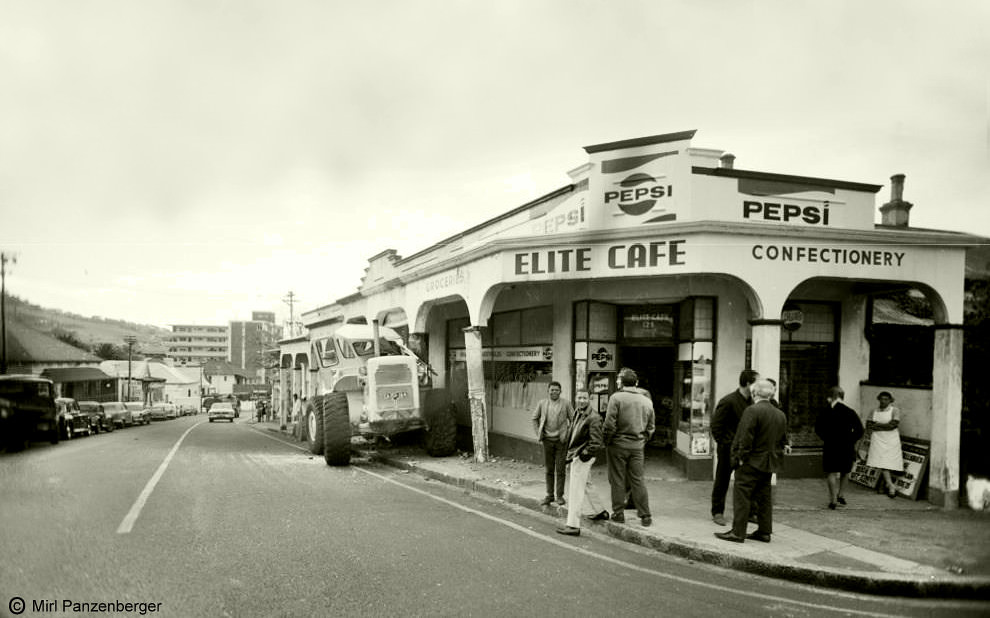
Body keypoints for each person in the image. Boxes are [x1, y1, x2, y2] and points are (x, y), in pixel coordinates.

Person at [714, 379, 789, 544]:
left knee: (742, 496)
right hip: (769, 462)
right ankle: (764, 531)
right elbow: (783, 440)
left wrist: (739, 459)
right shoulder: (780, 414)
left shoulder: (752, 411)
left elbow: (744, 438)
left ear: (755, 393)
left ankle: (738, 532)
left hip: (751, 462)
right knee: (764, 498)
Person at [603, 368, 655, 527]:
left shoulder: (616, 398)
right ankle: (645, 515)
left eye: (618, 380)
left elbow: (609, 424)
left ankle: (618, 513)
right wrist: (642, 439)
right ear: (636, 383)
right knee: (638, 480)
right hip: (637, 446)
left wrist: (607, 441)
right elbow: (651, 427)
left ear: (621, 382)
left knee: (617, 479)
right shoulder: (646, 401)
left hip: (618, 445)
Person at [710, 369, 759, 526]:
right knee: (722, 480)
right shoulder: (729, 401)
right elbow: (716, 426)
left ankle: (750, 512)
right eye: (757, 382)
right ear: (748, 383)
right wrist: (725, 444)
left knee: (745, 482)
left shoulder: (752, 402)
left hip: (745, 450)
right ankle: (717, 512)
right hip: (728, 449)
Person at [556, 390, 608, 536]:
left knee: (575, 491)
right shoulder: (578, 413)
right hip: (577, 455)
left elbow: (596, 442)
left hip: (581, 457)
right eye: (579, 397)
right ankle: (600, 511)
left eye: (585, 398)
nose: (582, 400)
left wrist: (582, 456)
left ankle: (573, 525)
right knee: (587, 484)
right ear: (575, 398)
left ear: (589, 399)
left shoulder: (594, 417)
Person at [815, 386, 864, 509]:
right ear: (842, 396)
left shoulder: (825, 411)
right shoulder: (850, 411)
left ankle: (833, 500)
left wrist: (827, 438)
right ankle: (841, 495)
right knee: (845, 471)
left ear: (830, 397)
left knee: (831, 472)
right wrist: (850, 440)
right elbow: (860, 430)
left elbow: (818, 429)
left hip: (831, 445)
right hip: (847, 446)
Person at [532, 381, 574, 506]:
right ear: (548, 391)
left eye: (557, 390)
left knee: (560, 469)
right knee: (549, 469)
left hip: (561, 441)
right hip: (547, 440)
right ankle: (549, 495)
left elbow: (573, 420)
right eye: (552, 390)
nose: (554, 392)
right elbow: (534, 418)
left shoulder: (566, 403)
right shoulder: (542, 403)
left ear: (560, 391)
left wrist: (568, 434)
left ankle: (560, 496)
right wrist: (538, 433)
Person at [866, 391, 903, 498]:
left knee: (889, 461)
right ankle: (890, 486)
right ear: (879, 399)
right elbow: (869, 424)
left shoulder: (895, 410)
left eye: (886, 399)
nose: (883, 401)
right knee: (881, 461)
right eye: (881, 399)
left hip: (891, 439)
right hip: (877, 439)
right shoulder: (873, 411)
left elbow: (893, 425)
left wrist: (878, 425)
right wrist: (882, 426)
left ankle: (885, 485)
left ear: (890, 400)